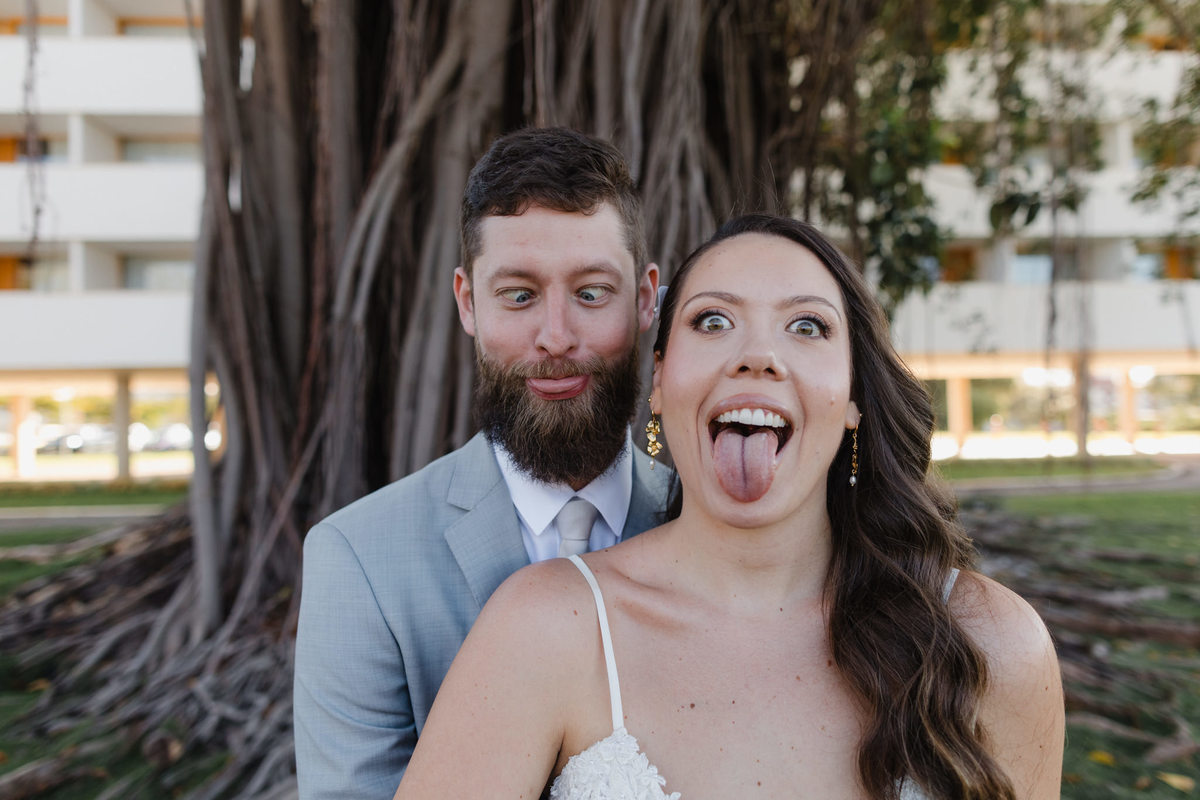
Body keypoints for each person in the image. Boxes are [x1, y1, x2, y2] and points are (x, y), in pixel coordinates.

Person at [394, 214, 1066, 799]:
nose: (758, 356)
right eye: (713, 321)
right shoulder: (547, 628)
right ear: (658, 383)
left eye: (808, 326)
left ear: (855, 397)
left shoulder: (991, 644)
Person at [293, 127, 669, 799]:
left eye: (591, 293)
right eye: (519, 295)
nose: (555, 338)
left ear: (645, 300)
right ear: (468, 302)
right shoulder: (358, 560)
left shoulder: (702, 521)